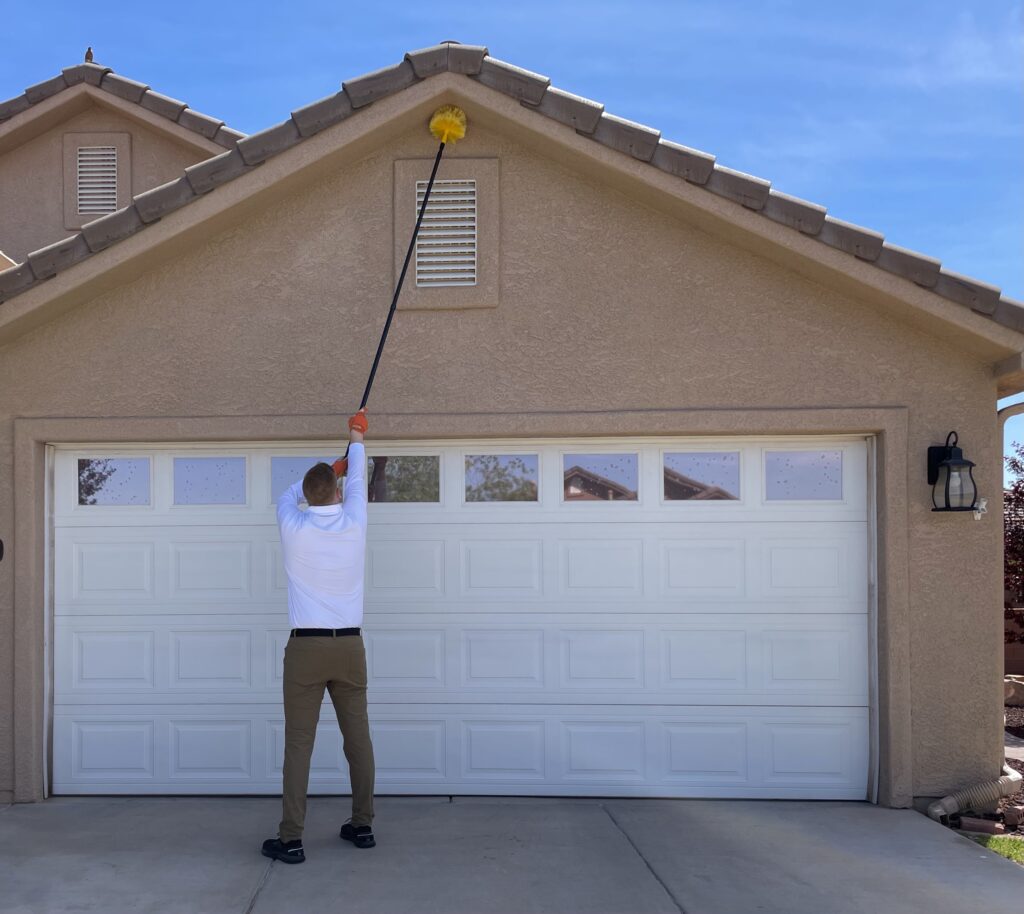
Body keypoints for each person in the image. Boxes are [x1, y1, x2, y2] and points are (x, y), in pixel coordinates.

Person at [262, 409, 375, 865]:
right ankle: (362, 826)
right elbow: (358, 472)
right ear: (339, 491)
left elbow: (291, 493)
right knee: (358, 739)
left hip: (306, 648)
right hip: (349, 647)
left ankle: (291, 839)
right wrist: (355, 438)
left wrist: (336, 463)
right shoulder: (355, 522)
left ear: (309, 496)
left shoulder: (293, 524)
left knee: (298, 743)